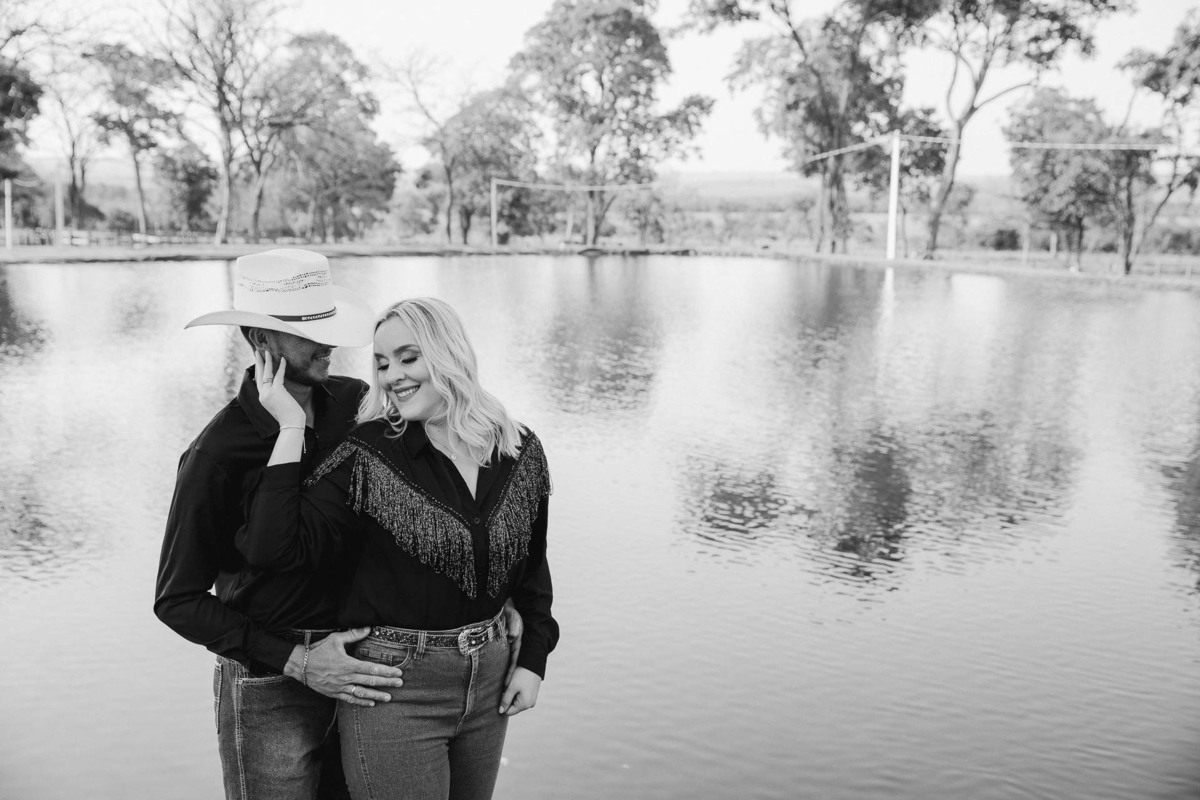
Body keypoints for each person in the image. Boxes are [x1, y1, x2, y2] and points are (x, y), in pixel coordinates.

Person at [239, 297, 558, 800]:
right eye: (382, 363)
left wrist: (533, 659)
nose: (391, 377)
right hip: (393, 686)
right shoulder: (369, 454)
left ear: (447, 353)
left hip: (491, 679)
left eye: (408, 358)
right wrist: (290, 426)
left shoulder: (517, 449)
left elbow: (533, 572)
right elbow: (272, 550)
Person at [154, 248, 407, 800]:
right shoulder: (217, 452)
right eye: (310, 331)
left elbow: (412, 509)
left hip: (367, 664)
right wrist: (297, 663)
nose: (331, 342)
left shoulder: (355, 405)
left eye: (330, 325)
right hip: (271, 684)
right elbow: (176, 600)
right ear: (261, 340)